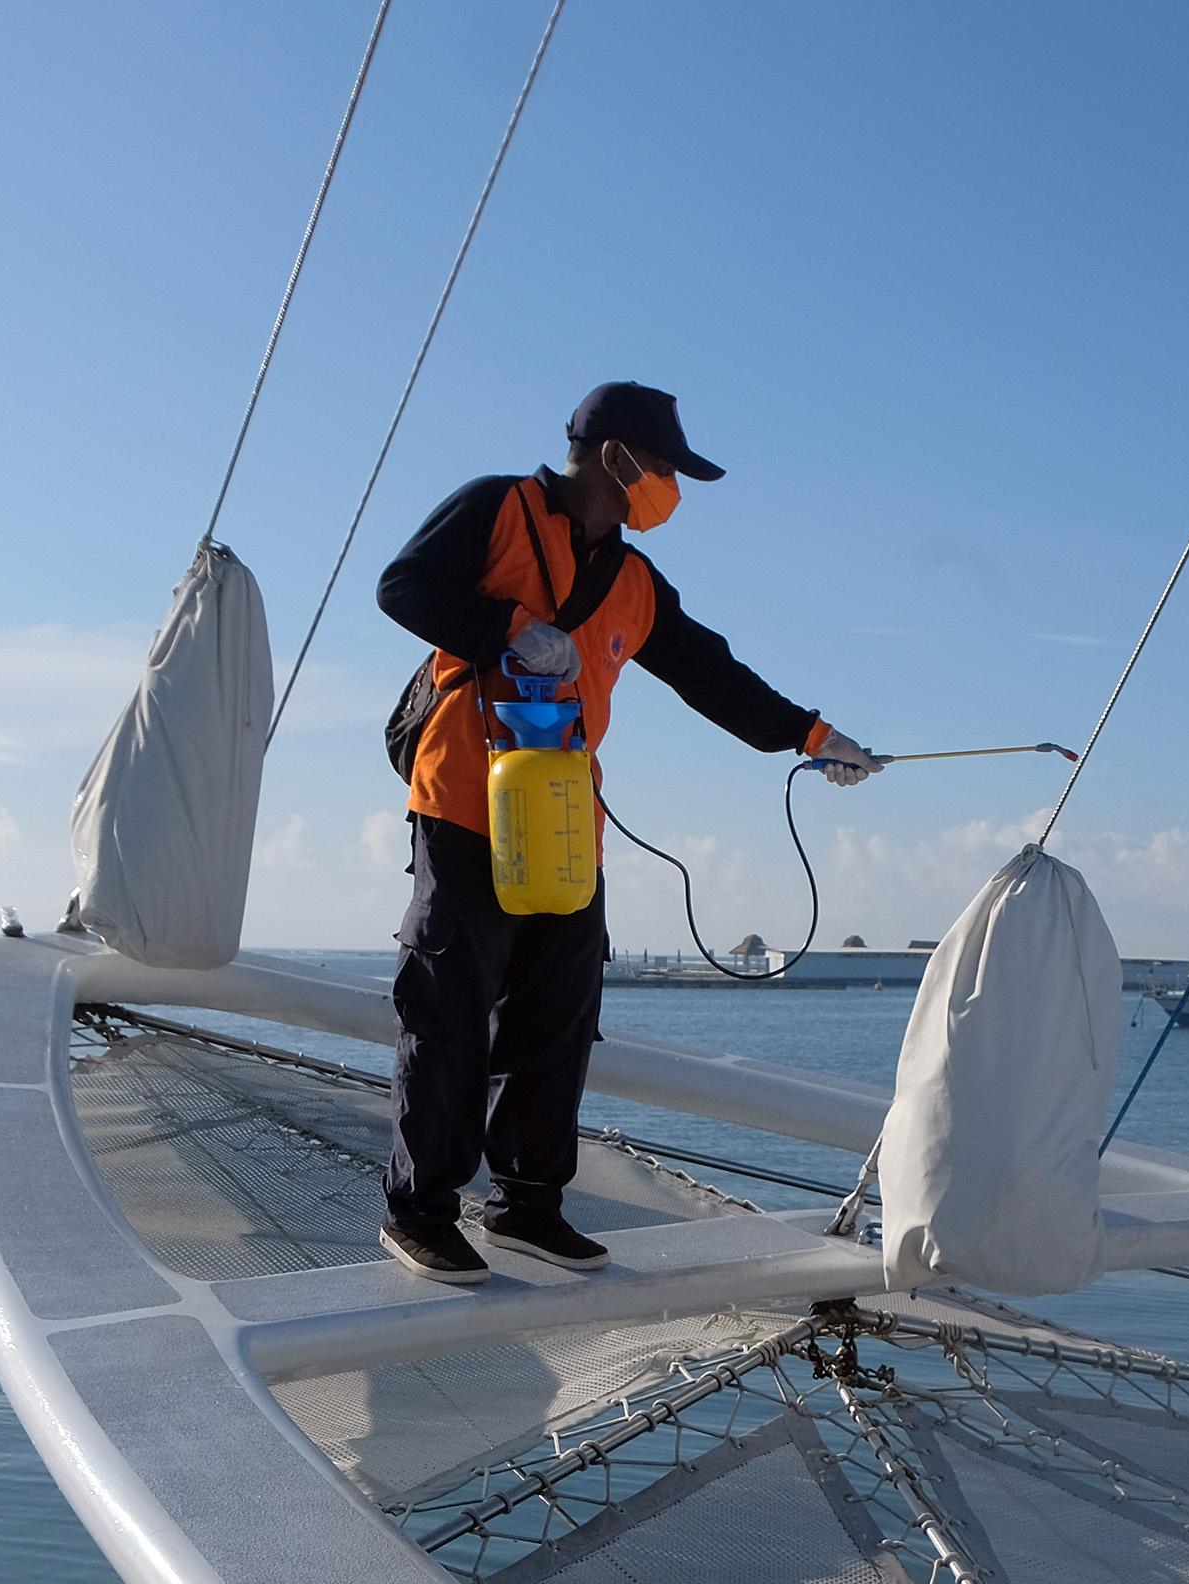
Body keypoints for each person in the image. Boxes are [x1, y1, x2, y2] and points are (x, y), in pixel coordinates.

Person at [371, 380, 881, 1282]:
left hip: (566, 820)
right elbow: (401, 585)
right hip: (460, 800)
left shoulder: (636, 581)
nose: (670, 488)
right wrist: (508, 627)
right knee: (448, 1011)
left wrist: (814, 737)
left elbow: (709, 673)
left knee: (558, 1016)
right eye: (666, 469)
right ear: (617, 458)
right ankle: (419, 1211)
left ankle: (527, 1205)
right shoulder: (498, 507)